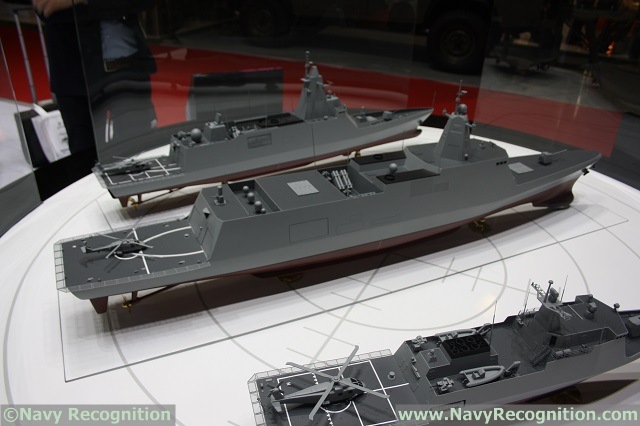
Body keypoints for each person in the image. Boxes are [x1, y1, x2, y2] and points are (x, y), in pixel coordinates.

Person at [32, 0, 157, 162]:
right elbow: (46, 8)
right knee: (85, 160)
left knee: (138, 154)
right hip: (75, 74)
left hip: (128, 69)